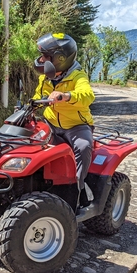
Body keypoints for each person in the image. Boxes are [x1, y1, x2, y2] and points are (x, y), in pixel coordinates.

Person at [32, 32, 96, 206]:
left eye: (46, 57)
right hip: (50, 123)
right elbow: (40, 95)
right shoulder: (46, 77)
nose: (42, 59)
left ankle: (78, 190)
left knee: (83, 147)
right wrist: (32, 104)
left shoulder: (78, 76)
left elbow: (87, 96)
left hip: (76, 126)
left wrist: (66, 95)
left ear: (60, 59)